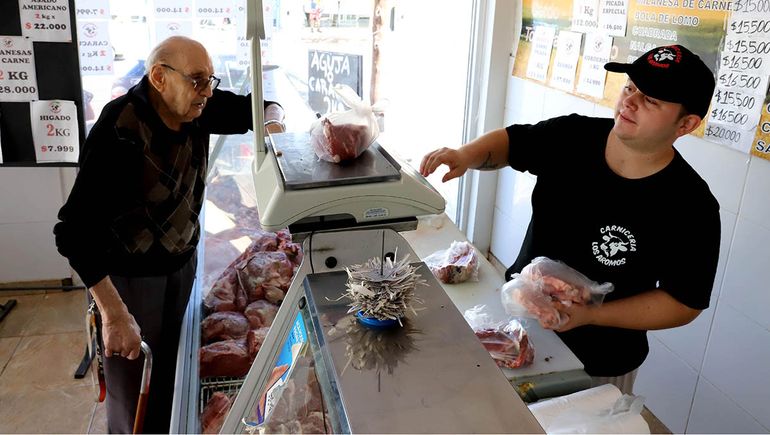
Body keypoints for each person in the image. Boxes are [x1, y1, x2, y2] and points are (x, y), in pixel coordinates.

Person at [420, 44, 720, 394]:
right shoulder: (572, 136)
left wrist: (593, 314)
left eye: (651, 100)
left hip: (601, 360)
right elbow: (514, 143)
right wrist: (465, 154)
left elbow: (684, 303)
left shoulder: (691, 205)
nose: (630, 101)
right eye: (630, 87)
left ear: (686, 124)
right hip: (516, 322)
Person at [54, 36, 285, 433]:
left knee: (173, 382)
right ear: (159, 77)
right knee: (134, 402)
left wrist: (275, 124)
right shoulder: (120, 127)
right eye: (197, 80)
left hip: (182, 268)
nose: (207, 92)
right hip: (128, 284)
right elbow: (73, 232)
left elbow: (262, 106)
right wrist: (113, 314)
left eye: (209, 81)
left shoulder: (200, 107)